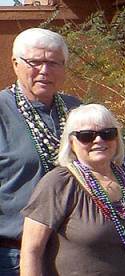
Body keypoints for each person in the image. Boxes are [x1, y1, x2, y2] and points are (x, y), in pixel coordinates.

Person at [20, 104, 125, 275]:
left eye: (107, 133)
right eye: (86, 136)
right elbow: (31, 251)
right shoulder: (59, 183)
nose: (99, 140)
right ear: (71, 142)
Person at [0, 27, 82, 274]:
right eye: (35, 62)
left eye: (54, 63)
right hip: (11, 255)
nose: (44, 71)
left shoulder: (77, 112)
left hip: (70, 254)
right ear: (15, 64)